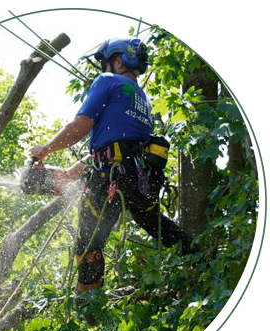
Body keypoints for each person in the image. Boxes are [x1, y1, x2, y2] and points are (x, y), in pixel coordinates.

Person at [31, 38, 192, 296]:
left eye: (107, 63)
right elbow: (121, 145)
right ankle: (200, 260)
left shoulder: (107, 81)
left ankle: (88, 303)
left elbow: (79, 127)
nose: (104, 68)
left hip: (111, 179)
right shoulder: (144, 101)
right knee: (162, 229)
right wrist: (73, 171)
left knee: (87, 243)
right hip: (140, 182)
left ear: (118, 61)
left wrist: (45, 149)